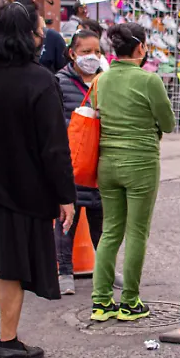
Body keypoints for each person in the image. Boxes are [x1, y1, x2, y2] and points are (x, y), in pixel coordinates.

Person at [0, 0, 76, 358]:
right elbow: (54, 146)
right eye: (39, 31)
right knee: (10, 262)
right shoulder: (39, 79)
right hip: (22, 189)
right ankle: (9, 340)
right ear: (28, 36)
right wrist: (65, 195)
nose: (43, 37)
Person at [89, 23, 176, 322]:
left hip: (107, 162)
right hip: (141, 163)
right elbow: (168, 123)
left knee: (110, 231)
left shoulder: (101, 80)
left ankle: (100, 301)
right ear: (140, 48)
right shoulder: (149, 81)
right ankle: (129, 302)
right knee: (137, 232)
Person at [54, 29, 109, 296]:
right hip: (71, 162)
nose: (92, 57)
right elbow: (52, 120)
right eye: (86, 52)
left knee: (101, 220)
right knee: (67, 219)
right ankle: (65, 271)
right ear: (72, 53)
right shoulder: (60, 82)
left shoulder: (104, 80)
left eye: (97, 52)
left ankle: (106, 269)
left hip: (99, 161)